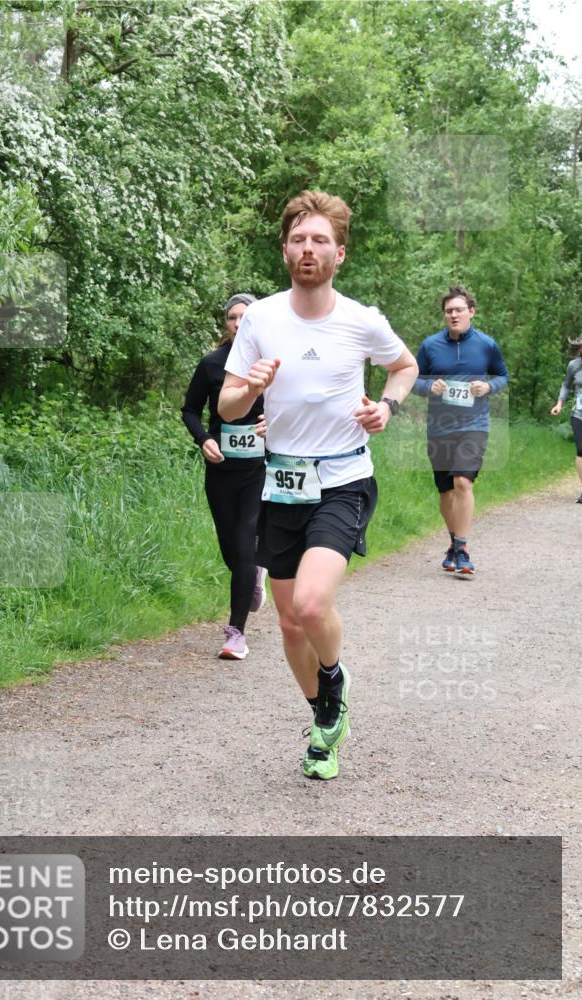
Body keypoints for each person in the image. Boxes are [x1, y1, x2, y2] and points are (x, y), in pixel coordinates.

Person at [218, 190, 417, 781]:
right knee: (285, 622)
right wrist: (250, 388)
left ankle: (334, 678)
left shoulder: (361, 321)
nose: (310, 249)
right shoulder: (260, 318)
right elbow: (229, 409)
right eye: (300, 239)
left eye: (321, 240)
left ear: (340, 253)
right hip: (281, 482)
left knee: (310, 604)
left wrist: (387, 406)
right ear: (285, 251)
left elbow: (403, 366)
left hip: (343, 478)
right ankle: (324, 720)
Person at [181, 294, 267, 660]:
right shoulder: (212, 364)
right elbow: (189, 410)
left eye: (244, 317)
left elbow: (296, 404)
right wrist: (204, 439)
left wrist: (272, 422)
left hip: (259, 470)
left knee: (246, 540)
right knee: (231, 548)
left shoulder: (269, 365)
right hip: (220, 469)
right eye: (232, 318)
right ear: (226, 324)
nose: (237, 323)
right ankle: (253, 575)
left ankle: (236, 633)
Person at [413, 287, 509, 576]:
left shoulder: (486, 345)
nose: (454, 315)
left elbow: (502, 376)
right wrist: (429, 386)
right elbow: (411, 379)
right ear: (444, 315)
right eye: (449, 311)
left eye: (459, 309)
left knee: (462, 483)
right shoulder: (430, 346)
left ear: (471, 312)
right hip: (439, 429)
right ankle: (454, 543)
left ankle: (463, 549)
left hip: (474, 426)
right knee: (446, 491)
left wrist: (489, 387)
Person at [550, 334, 582, 503]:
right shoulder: (574, 366)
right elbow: (566, 385)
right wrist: (559, 404)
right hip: (579, 414)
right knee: (581, 450)